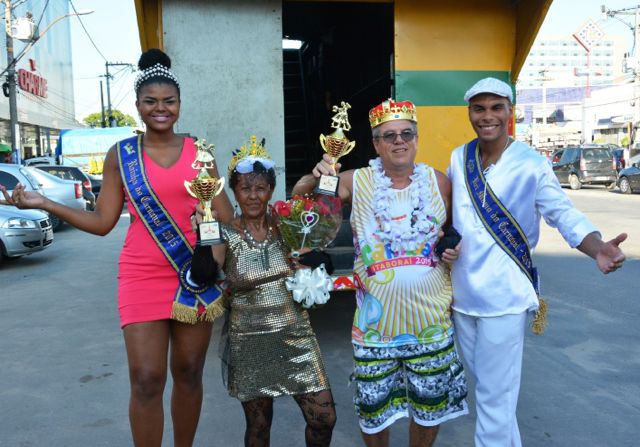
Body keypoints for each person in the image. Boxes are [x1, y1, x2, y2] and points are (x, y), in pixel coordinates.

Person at [1, 49, 234, 446]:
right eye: (150, 101)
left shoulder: (201, 152)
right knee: (146, 379)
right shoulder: (121, 155)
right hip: (142, 275)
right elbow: (103, 222)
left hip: (194, 274)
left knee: (189, 372)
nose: (160, 108)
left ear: (180, 104)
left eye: (169, 101)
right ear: (138, 106)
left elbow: (225, 215)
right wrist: (44, 202)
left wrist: (213, 219)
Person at [448, 77, 627, 447]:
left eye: (496, 108)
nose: (487, 116)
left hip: (505, 297)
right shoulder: (458, 157)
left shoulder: (531, 163)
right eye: (479, 109)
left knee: (494, 396)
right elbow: (450, 216)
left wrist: (597, 248)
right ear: (469, 113)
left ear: (510, 112)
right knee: (492, 392)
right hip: (463, 295)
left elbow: (562, 212)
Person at [293, 99, 468, 447]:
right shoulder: (356, 181)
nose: (399, 141)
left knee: (429, 409)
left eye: (406, 133)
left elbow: (455, 231)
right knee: (373, 410)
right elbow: (300, 200)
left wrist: (452, 244)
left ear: (416, 139)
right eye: (389, 135)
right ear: (375, 144)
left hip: (431, 323)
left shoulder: (439, 182)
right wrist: (317, 176)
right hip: (374, 328)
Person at [200, 136, 336, 447]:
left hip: (297, 335)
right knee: (259, 427)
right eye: (245, 188)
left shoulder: (287, 223)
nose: (253, 196)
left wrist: (324, 170)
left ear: (271, 190)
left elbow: (305, 189)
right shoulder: (225, 233)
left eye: (260, 188)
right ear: (234, 192)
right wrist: (203, 230)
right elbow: (206, 272)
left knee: (324, 418)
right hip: (250, 341)